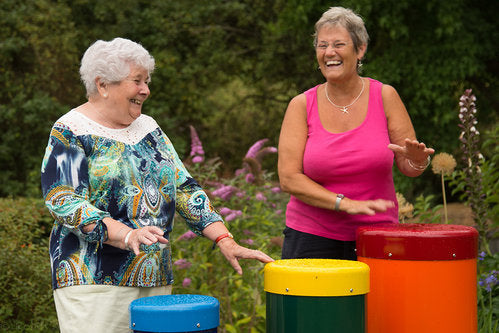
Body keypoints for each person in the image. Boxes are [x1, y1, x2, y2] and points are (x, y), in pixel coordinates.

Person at [41, 37, 273, 332]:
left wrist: (224, 239)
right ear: (102, 85)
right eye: (137, 80)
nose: (146, 90)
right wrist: (126, 234)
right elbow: (63, 199)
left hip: (154, 279)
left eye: (147, 81)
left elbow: (184, 188)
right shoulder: (70, 130)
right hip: (94, 281)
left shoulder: (149, 128)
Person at [278, 7, 435, 261]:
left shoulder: (385, 96)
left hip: (377, 236)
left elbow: (409, 166)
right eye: (322, 45)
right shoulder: (301, 105)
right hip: (310, 238)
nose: (329, 52)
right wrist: (345, 203)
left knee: (378, 303)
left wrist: (418, 160)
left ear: (359, 49)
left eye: (339, 44)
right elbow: (289, 179)